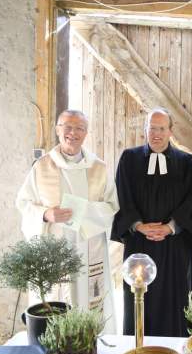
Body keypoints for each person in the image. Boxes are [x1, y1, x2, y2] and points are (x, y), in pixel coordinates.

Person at [16, 109, 119, 333]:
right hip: (53, 245)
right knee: (55, 297)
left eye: (79, 128)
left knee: (86, 300)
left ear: (86, 133)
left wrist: (84, 212)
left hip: (87, 247)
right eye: (67, 127)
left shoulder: (99, 168)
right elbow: (24, 203)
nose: (73, 133)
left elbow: (113, 207)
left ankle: (89, 346)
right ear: (57, 130)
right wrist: (46, 214)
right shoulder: (41, 166)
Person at [111, 107, 192, 337]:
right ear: (145, 130)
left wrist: (170, 227)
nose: (156, 134)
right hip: (139, 245)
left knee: (176, 300)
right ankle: (138, 351)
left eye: (161, 128)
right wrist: (138, 225)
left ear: (171, 131)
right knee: (140, 299)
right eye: (152, 128)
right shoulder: (129, 160)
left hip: (175, 246)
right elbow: (122, 195)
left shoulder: (187, 162)